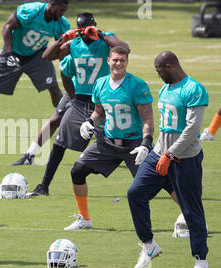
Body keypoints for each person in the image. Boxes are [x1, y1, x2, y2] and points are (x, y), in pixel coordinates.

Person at [63, 46, 178, 231]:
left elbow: (147, 118)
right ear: (108, 60)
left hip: (134, 143)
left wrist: (145, 144)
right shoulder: (100, 84)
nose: (118, 63)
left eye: (122, 60)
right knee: (77, 171)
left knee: (164, 179)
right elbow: (99, 112)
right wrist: (89, 122)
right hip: (107, 142)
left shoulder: (137, 85)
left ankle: (191, 216)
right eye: (115, 60)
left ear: (127, 62)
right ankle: (84, 218)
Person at [24, 13, 129, 198]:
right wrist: (62, 39)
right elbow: (47, 57)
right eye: (82, 30)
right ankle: (44, 186)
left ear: (95, 25)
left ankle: (152, 178)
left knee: (123, 143)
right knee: (59, 143)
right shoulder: (74, 44)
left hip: (103, 101)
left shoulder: (104, 41)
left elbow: (124, 49)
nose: (85, 34)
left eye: (88, 29)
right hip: (80, 101)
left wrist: (99, 33)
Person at [127, 51, 209, 268]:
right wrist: (152, 149)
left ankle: (200, 258)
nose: (158, 74)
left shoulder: (194, 89)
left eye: (159, 70)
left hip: (185, 159)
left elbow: (192, 130)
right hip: (159, 154)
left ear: (169, 66)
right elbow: (166, 128)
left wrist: (170, 154)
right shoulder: (165, 89)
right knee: (135, 194)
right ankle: (149, 245)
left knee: (191, 209)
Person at [0, 0, 70, 126]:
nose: (62, 14)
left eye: (64, 11)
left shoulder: (61, 23)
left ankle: (67, 123)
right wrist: (9, 53)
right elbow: (7, 27)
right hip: (13, 52)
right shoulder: (32, 10)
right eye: (60, 10)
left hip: (37, 55)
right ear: (51, 4)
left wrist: (68, 65)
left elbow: (61, 48)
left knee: (53, 87)